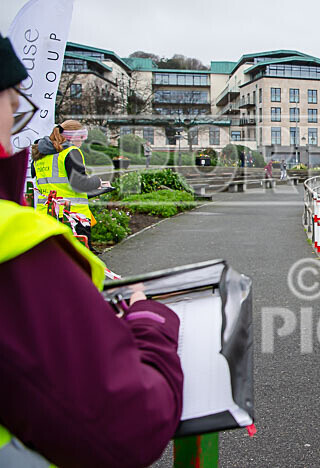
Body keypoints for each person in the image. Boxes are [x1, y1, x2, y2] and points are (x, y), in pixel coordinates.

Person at [0, 33, 183, 467]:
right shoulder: (15, 242)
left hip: (48, 210)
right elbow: (126, 424)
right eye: (12, 108)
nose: (15, 125)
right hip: (67, 215)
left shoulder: (42, 158)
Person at [31, 119, 111, 250]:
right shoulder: (71, 152)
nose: (83, 141)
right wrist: (98, 182)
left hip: (46, 216)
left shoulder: (40, 154)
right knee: (80, 261)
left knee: (55, 257)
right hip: (72, 216)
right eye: (82, 136)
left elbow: (47, 181)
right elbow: (80, 184)